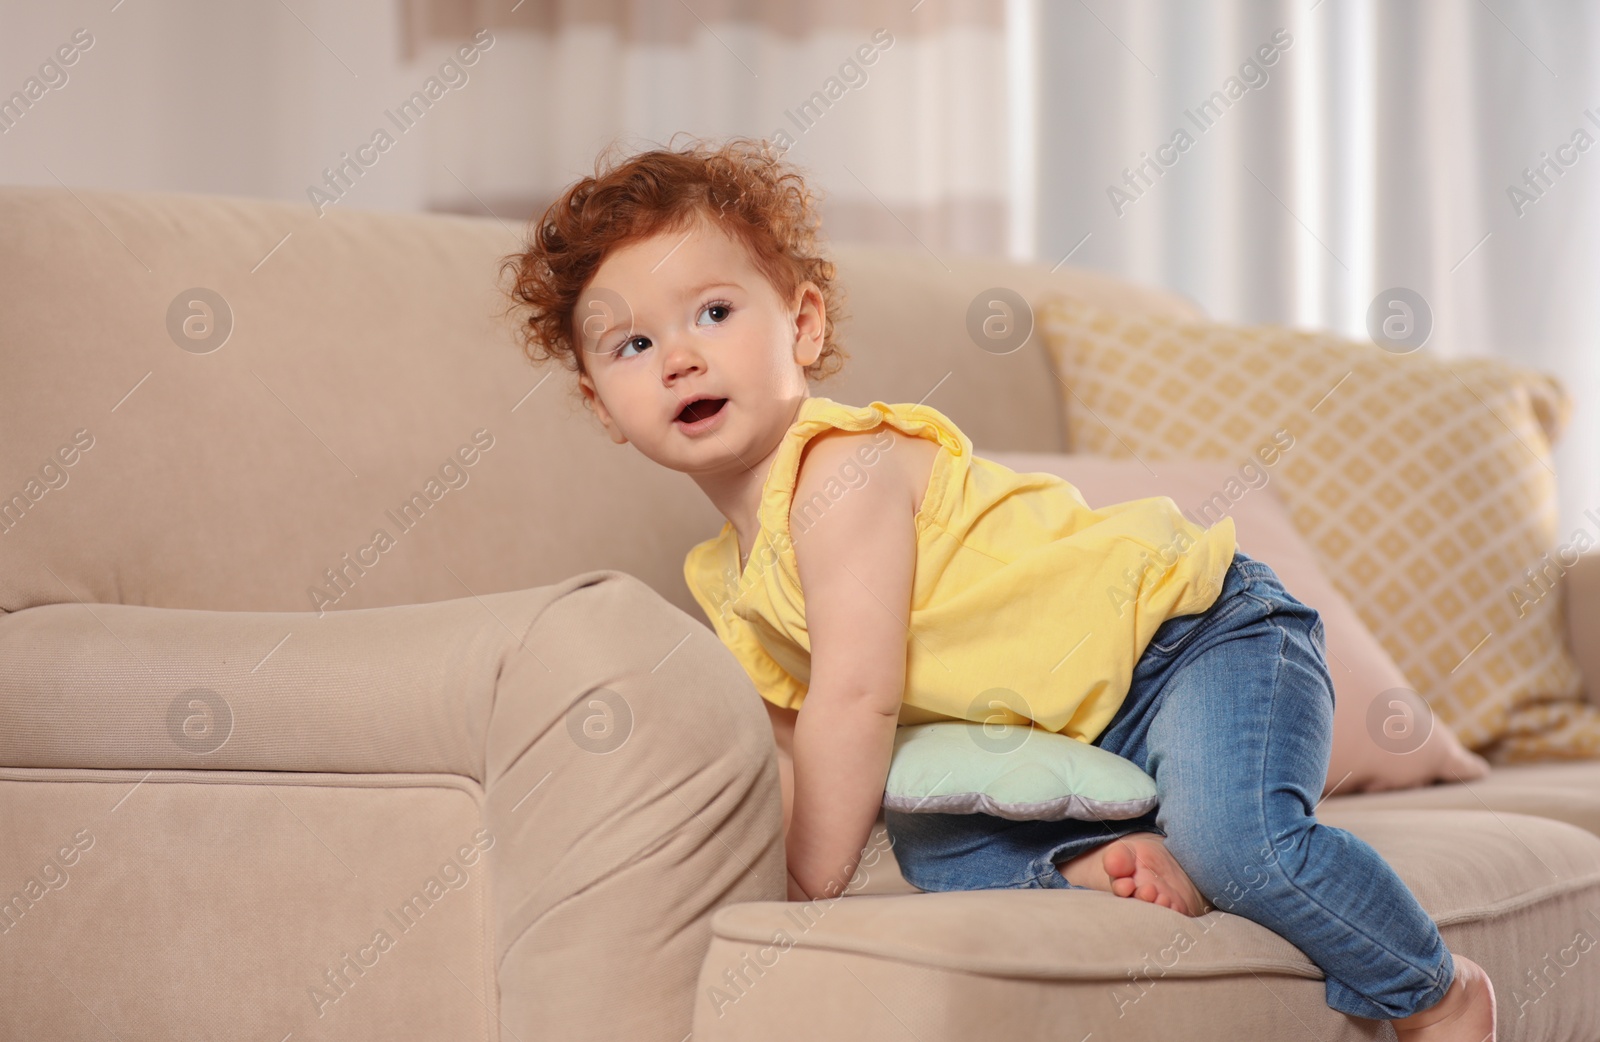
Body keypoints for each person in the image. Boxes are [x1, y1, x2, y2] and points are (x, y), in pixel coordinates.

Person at [500, 133, 1496, 1040]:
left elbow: (856, 695)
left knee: (1245, 844)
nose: (679, 357)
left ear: (800, 324)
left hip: (1199, 639)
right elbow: (801, 744)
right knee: (931, 839)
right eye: (631, 344)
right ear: (600, 399)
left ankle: (1436, 992)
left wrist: (805, 882)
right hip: (1066, 735)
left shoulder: (842, 471)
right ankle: (1109, 855)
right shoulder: (725, 575)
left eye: (713, 312)